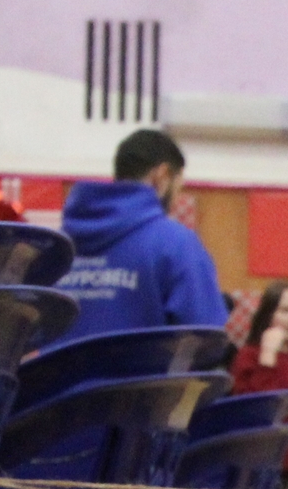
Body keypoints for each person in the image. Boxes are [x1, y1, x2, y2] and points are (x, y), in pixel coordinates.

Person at [52, 129, 228, 343]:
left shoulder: (57, 246)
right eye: (178, 189)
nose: (175, 202)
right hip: (140, 367)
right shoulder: (177, 244)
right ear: (161, 177)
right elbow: (206, 339)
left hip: (58, 367)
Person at [229, 281, 288, 476]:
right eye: (285, 311)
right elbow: (255, 409)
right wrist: (268, 356)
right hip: (262, 463)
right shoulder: (249, 355)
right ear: (268, 314)